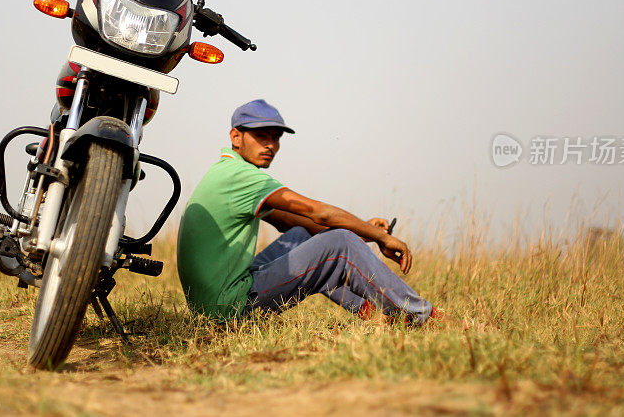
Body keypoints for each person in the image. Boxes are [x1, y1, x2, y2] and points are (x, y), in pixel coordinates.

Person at [176, 99, 438, 325]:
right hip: (227, 309)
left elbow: (293, 222)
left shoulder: (226, 171)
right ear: (236, 137)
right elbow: (319, 213)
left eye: (275, 137)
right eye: (261, 136)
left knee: (302, 235)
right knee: (340, 242)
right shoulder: (241, 175)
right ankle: (422, 318)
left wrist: (365, 231)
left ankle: (375, 316)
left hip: (213, 303)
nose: (270, 145)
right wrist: (382, 238)